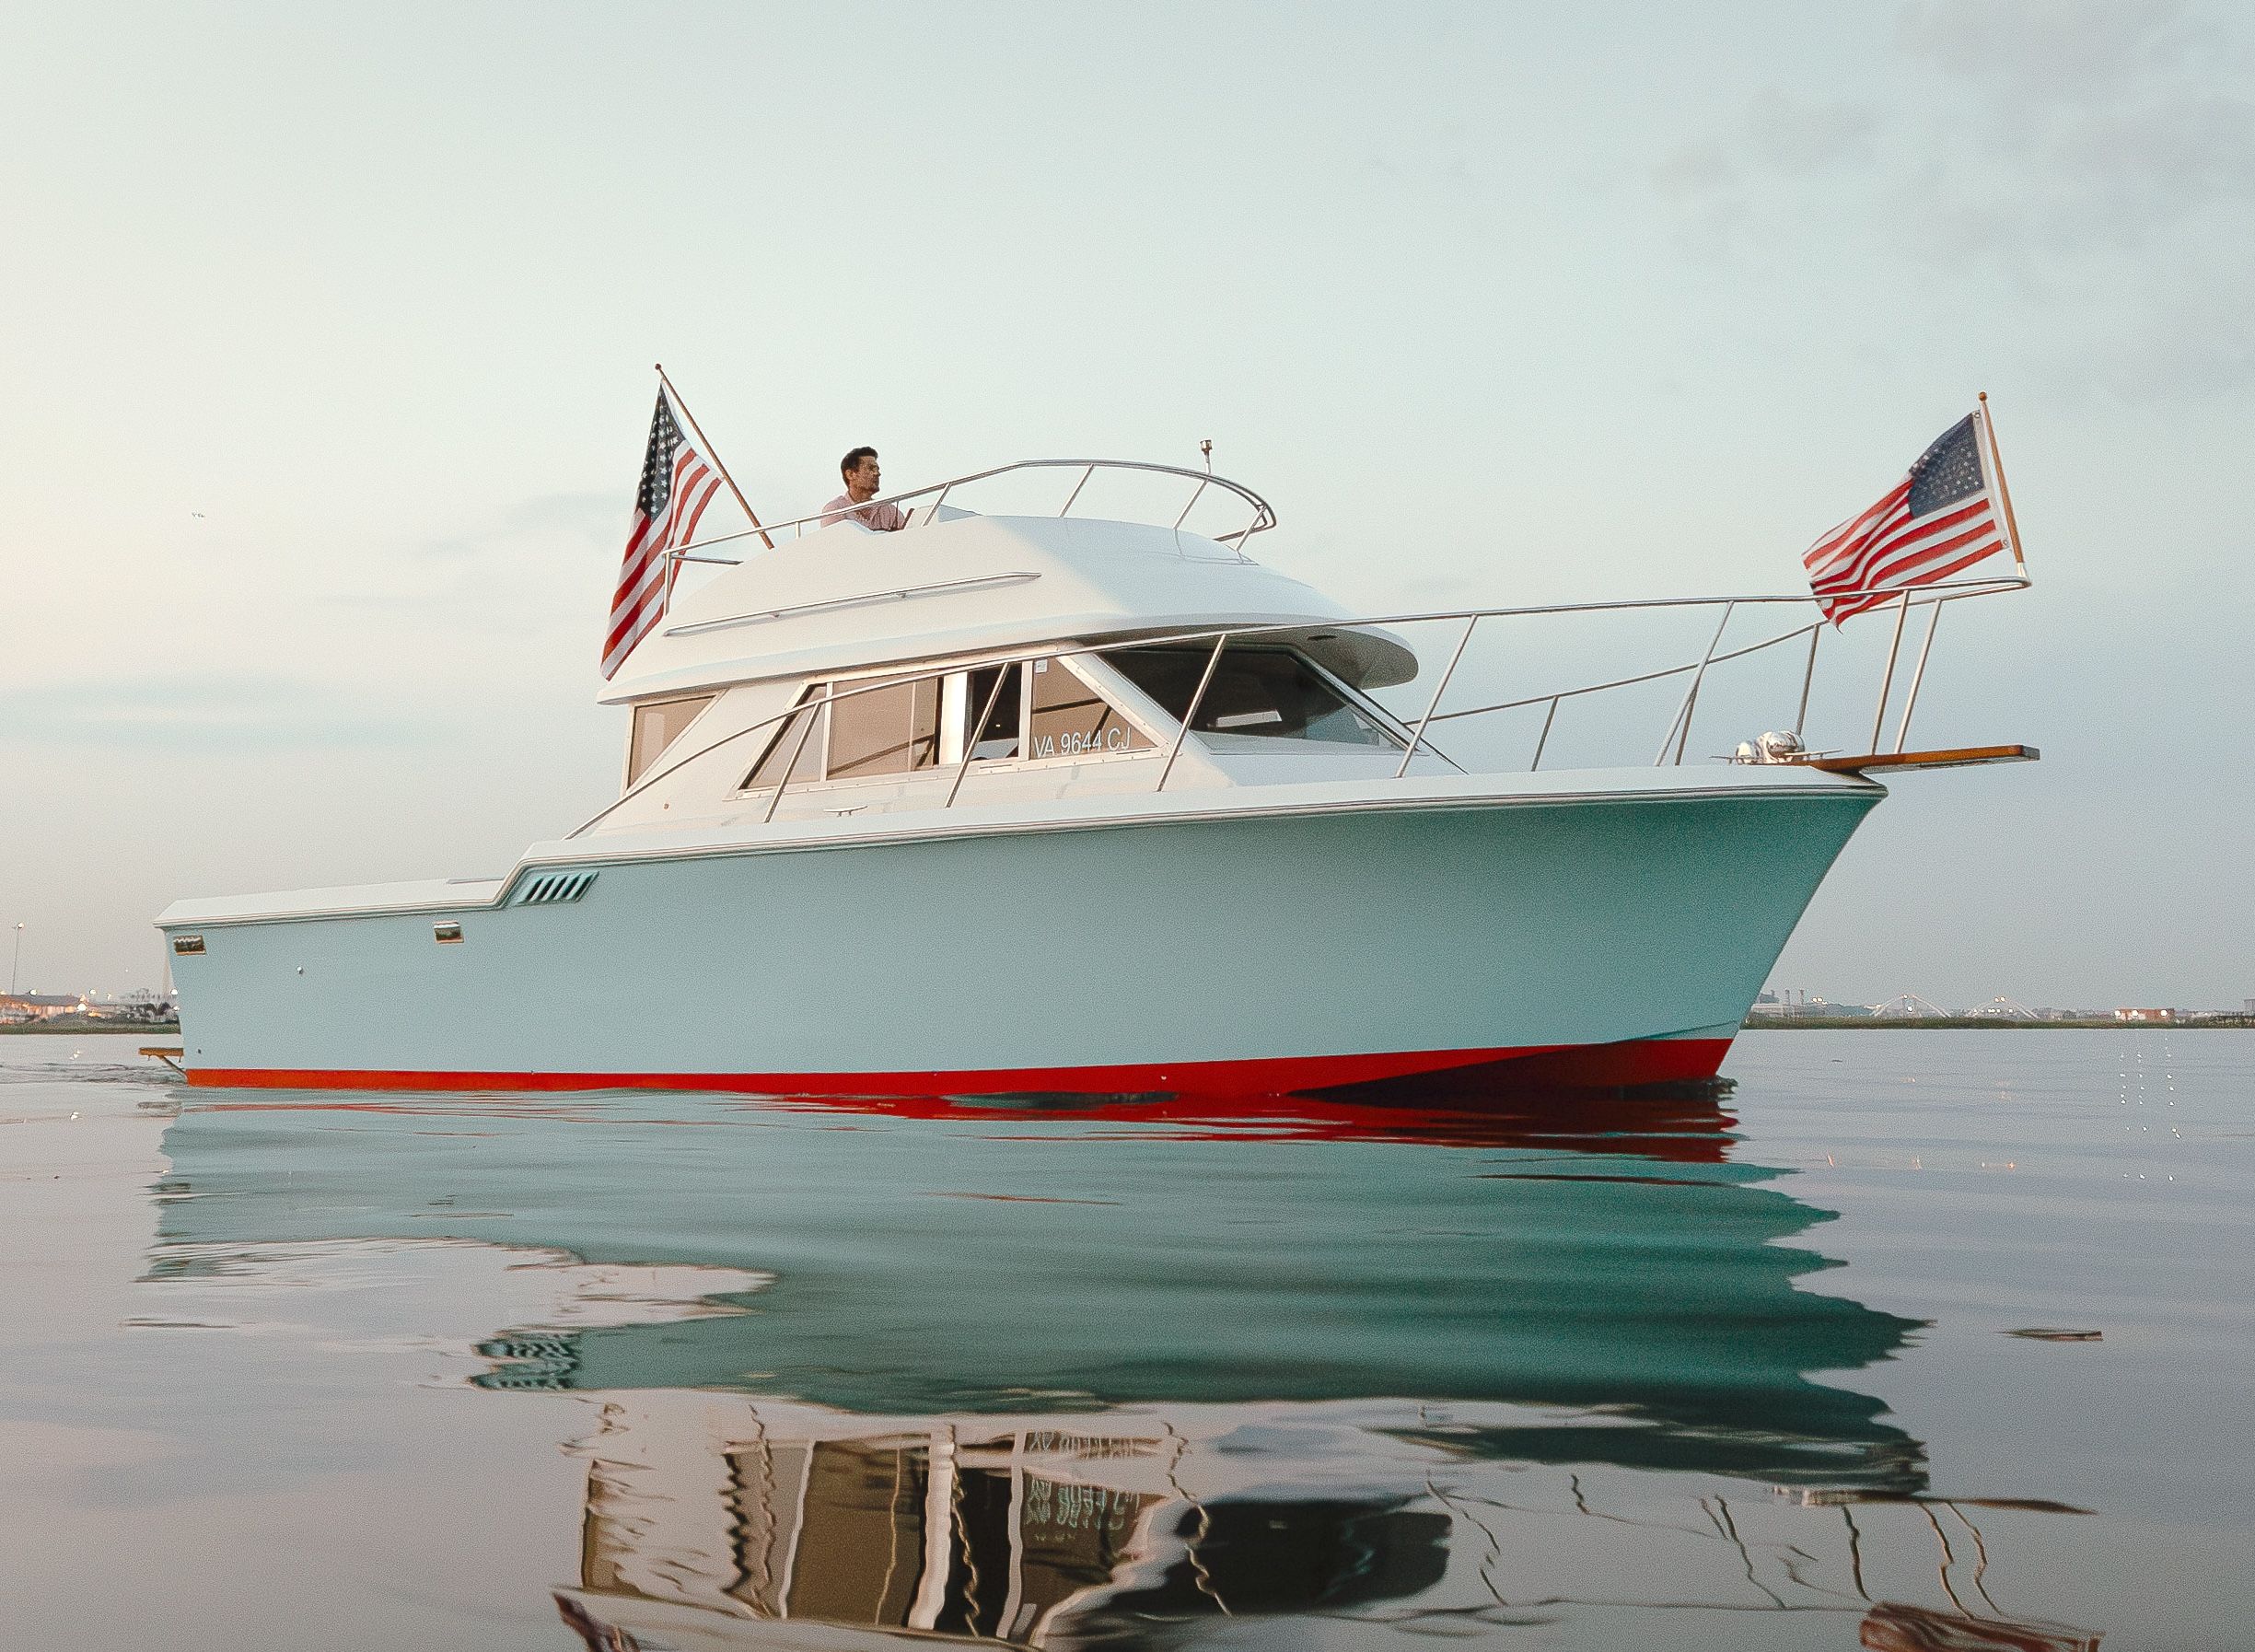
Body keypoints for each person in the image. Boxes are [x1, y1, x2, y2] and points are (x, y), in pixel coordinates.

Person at [821, 447, 908, 531]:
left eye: (877, 469)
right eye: (871, 468)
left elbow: (907, 540)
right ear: (851, 474)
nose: (877, 473)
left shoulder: (890, 511)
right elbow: (833, 544)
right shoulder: (835, 510)